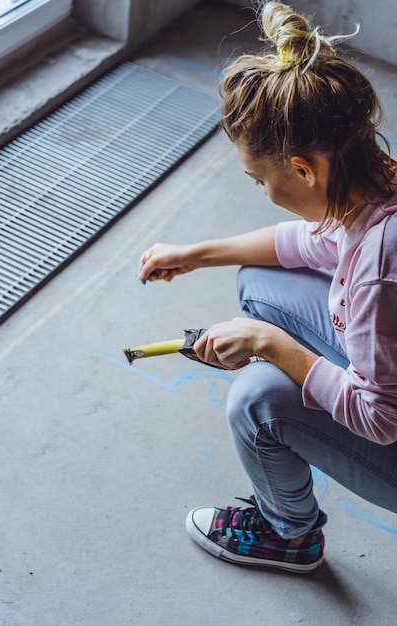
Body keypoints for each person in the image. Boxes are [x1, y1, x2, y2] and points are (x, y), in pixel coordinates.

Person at [138, 1, 397, 573]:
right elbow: (305, 245)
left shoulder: (383, 264)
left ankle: (290, 535)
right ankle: (300, 399)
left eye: (260, 180)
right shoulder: (376, 187)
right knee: (259, 280)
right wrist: (195, 254)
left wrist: (268, 344)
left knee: (256, 398)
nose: (260, 189)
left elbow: (381, 419)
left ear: (305, 170)